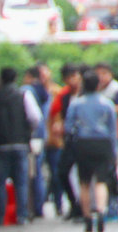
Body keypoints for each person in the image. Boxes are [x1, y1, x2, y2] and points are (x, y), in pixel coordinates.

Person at [64, 70, 118, 232]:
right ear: (98, 84)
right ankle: (101, 212)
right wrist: (113, 151)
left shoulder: (76, 103)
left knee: (85, 182)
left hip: (83, 143)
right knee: (101, 181)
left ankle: (87, 218)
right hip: (103, 144)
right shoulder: (107, 103)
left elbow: (68, 127)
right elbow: (112, 130)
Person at [0, 66, 41, 225]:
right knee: (21, 182)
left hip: (1, 144)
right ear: (15, 78)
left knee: (1, 182)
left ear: (1, 78)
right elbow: (35, 117)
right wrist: (27, 129)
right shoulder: (24, 95)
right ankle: (22, 216)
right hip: (21, 143)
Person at [47, 64, 83, 220]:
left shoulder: (86, 93)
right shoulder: (64, 95)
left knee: (84, 175)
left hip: (85, 139)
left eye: (74, 77)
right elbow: (55, 112)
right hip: (69, 139)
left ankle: (85, 206)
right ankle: (74, 204)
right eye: (68, 78)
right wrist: (58, 124)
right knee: (62, 171)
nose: (72, 81)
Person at [94, 63, 118, 221]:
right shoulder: (94, 89)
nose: (101, 77)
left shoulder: (116, 89)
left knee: (109, 172)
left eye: (104, 73)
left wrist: (110, 109)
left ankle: (113, 206)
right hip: (99, 138)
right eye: (98, 74)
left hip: (112, 136)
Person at [21, 65, 51, 219]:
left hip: (33, 137)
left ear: (28, 76)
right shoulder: (45, 91)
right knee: (38, 172)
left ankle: (32, 208)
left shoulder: (27, 91)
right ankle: (39, 207)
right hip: (42, 136)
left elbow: (34, 117)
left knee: (30, 173)